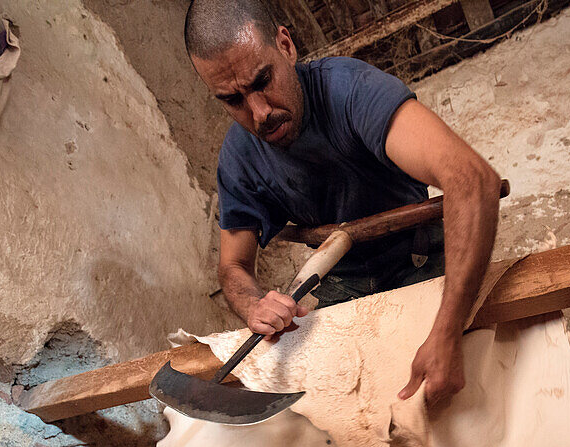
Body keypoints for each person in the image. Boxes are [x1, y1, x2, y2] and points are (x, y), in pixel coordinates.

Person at [185, 0, 502, 407]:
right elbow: (233, 267)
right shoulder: (239, 158)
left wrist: (447, 330)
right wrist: (252, 303)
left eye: (262, 80)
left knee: (470, 396)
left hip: (423, 257)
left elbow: (472, 179)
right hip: (342, 285)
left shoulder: (351, 90)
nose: (259, 112)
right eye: (232, 100)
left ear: (285, 45)